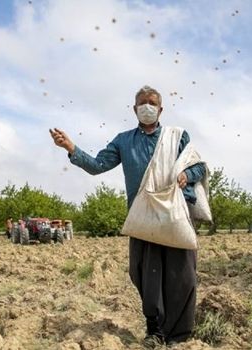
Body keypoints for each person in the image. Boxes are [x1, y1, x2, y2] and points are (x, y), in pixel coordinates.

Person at [50, 85, 206, 346]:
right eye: (142, 103)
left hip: (175, 216)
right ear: (135, 109)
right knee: (144, 274)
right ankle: (154, 331)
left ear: (161, 108)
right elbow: (98, 165)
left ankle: (180, 334)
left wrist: (185, 175)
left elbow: (198, 166)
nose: (147, 107)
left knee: (183, 275)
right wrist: (71, 148)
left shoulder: (177, 136)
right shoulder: (123, 141)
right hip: (143, 219)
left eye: (152, 103)